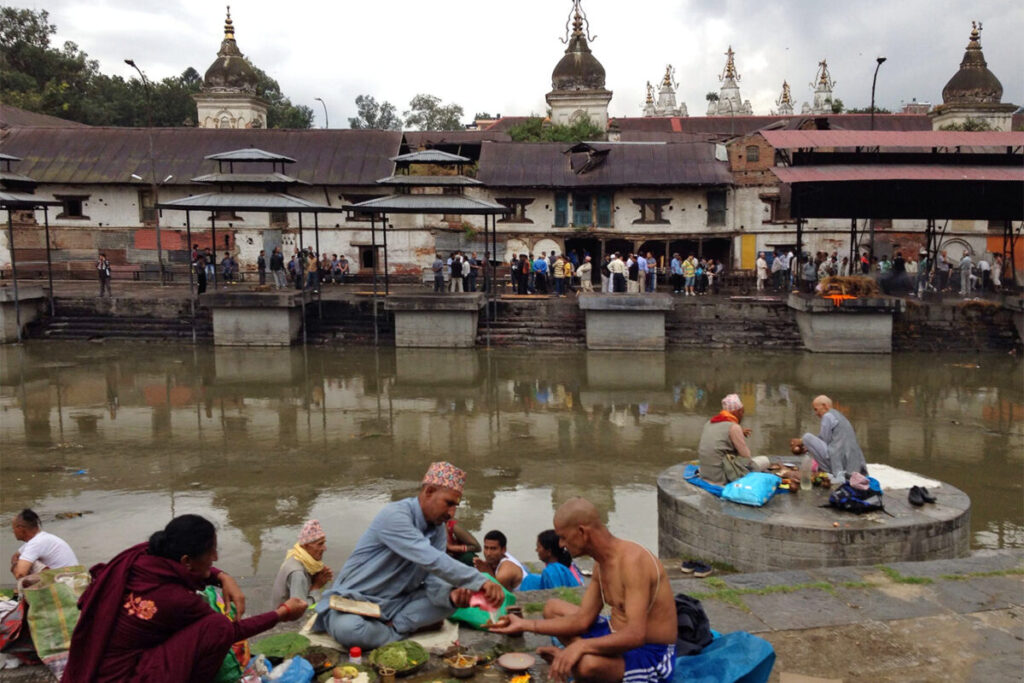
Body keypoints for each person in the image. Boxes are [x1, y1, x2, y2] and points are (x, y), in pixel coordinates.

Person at [62, 514, 307, 683]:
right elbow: (228, 631)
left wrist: (221, 576)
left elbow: (199, 569)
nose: (216, 557)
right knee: (215, 626)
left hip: (94, 662)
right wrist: (282, 613)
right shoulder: (175, 599)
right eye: (211, 552)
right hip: (123, 676)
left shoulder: (141, 556)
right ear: (186, 561)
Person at [314, 462, 504, 650]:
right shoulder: (395, 515)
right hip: (356, 601)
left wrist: (451, 595)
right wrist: (480, 581)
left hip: (397, 602)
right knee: (349, 630)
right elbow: (431, 559)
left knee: (449, 603)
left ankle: (392, 628)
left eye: (455, 506)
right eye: (448, 504)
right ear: (429, 491)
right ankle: (397, 631)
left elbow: (434, 578)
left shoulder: (438, 530)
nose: (451, 513)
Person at [489, 498, 677, 683]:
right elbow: (582, 620)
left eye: (563, 537)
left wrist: (580, 647)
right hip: (614, 633)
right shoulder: (601, 564)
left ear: (581, 532)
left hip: (650, 652)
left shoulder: (633, 562)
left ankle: (577, 660)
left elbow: (636, 636)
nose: (560, 544)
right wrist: (524, 624)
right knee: (552, 608)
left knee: (586, 665)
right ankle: (574, 659)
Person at [696, 394, 769, 484]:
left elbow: (721, 435)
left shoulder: (709, 423)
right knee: (764, 460)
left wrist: (739, 432)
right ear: (738, 411)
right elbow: (746, 456)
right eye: (742, 412)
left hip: (705, 474)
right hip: (720, 478)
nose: (742, 415)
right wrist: (739, 434)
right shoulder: (734, 427)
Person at [793, 395, 868, 482]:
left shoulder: (827, 416)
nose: (816, 413)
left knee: (807, 437)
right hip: (854, 466)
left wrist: (802, 442)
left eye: (816, 409)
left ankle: (832, 473)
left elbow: (824, 440)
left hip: (840, 466)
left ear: (824, 406)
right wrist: (808, 447)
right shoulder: (839, 416)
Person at [271, 519, 334, 608]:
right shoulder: (298, 573)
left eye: (324, 543)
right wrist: (316, 586)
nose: (324, 548)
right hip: (287, 617)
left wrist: (314, 578)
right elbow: (299, 609)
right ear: (305, 546)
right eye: (320, 544)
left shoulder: (295, 556)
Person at [10, 509, 79, 579]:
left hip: (67, 581)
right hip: (71, 576)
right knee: (26, 560)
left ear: (20, 528)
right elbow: (15, 556)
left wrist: (17, 567)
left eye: (13, 529)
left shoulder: (36, 542)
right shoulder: (40, 539)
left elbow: (20, 574)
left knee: (31, 564)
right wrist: (18, 563)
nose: (13, 532)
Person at [519, 529, 585, 591]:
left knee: (530, 580)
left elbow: (556, 592)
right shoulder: (565, 567)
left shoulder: (552, 571)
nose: (536, 550)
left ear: (549, 552)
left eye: (539, 547)